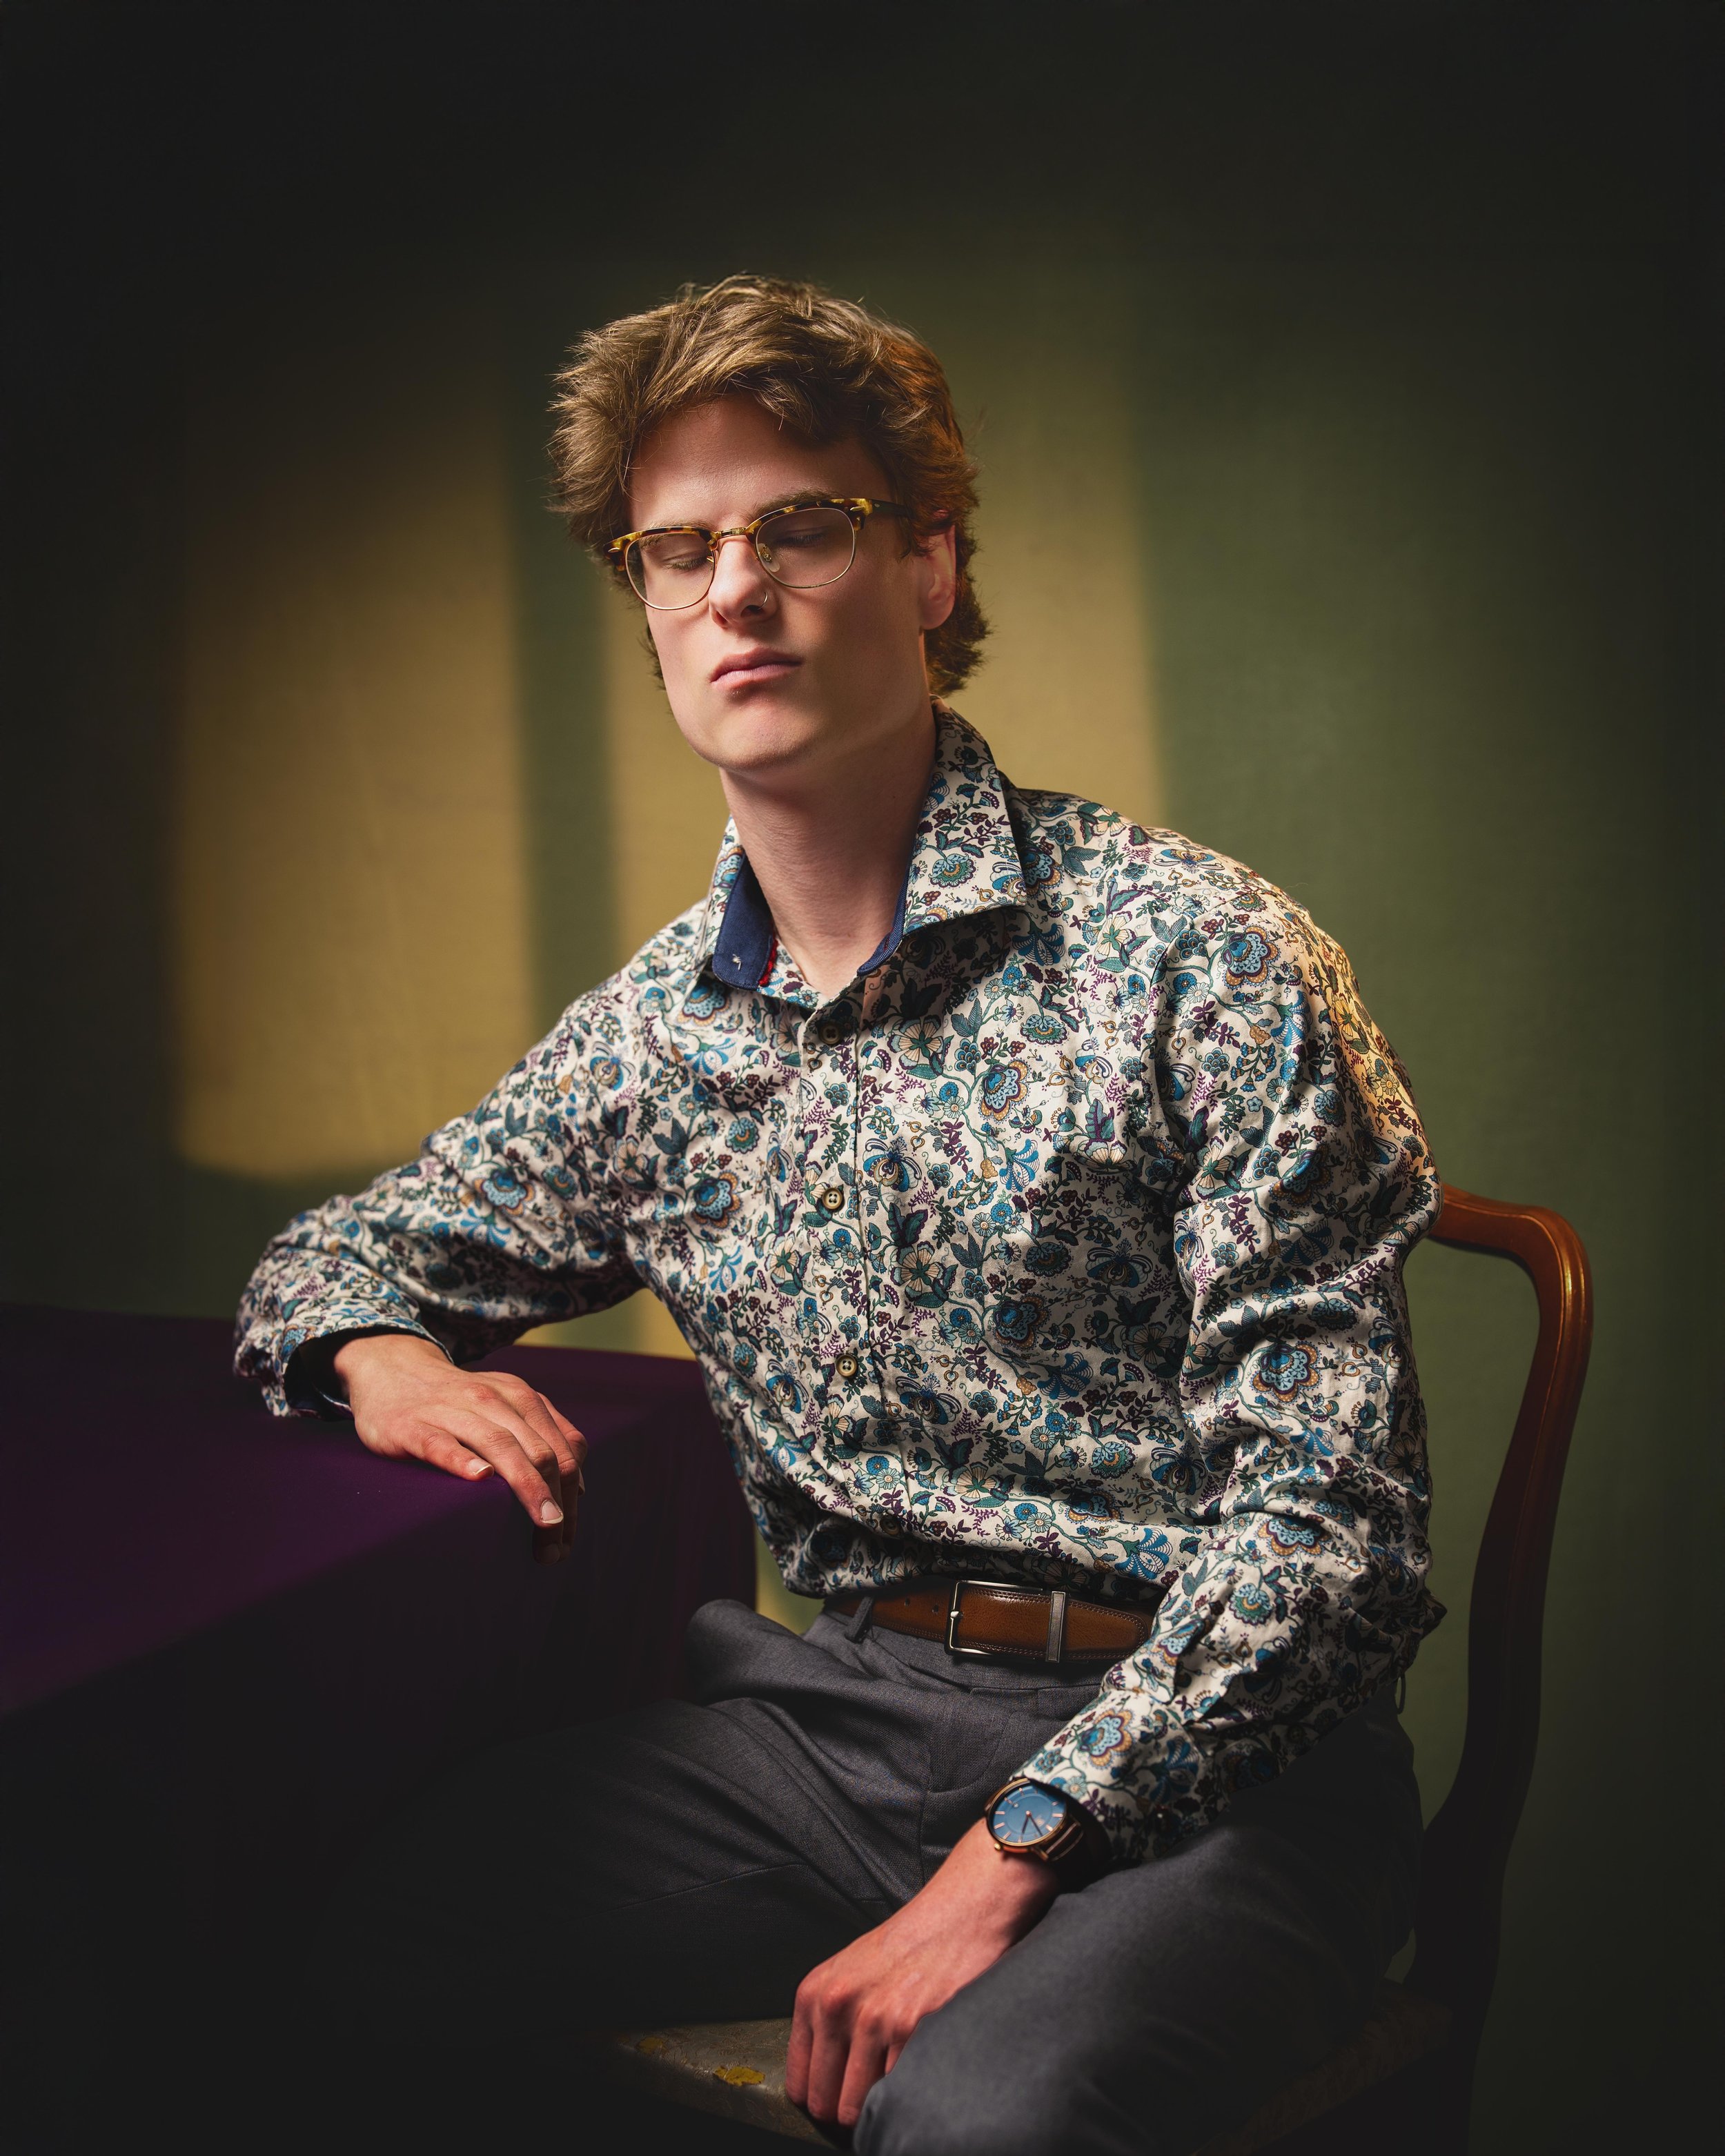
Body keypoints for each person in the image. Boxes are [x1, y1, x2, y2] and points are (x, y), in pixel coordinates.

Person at [237, 275, 1439, 2155]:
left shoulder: (1197, 954)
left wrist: (1010, 1859)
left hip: (1217, 1761)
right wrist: (383, 1357)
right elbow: (334, 1259)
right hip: (840, 1732)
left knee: (981, 2123)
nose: (737, 588)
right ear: (646, 601)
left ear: (931, 565)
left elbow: (1331, 1539)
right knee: (343, 1944)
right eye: (680, 548)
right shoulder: (656, 1039)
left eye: (802, 525)